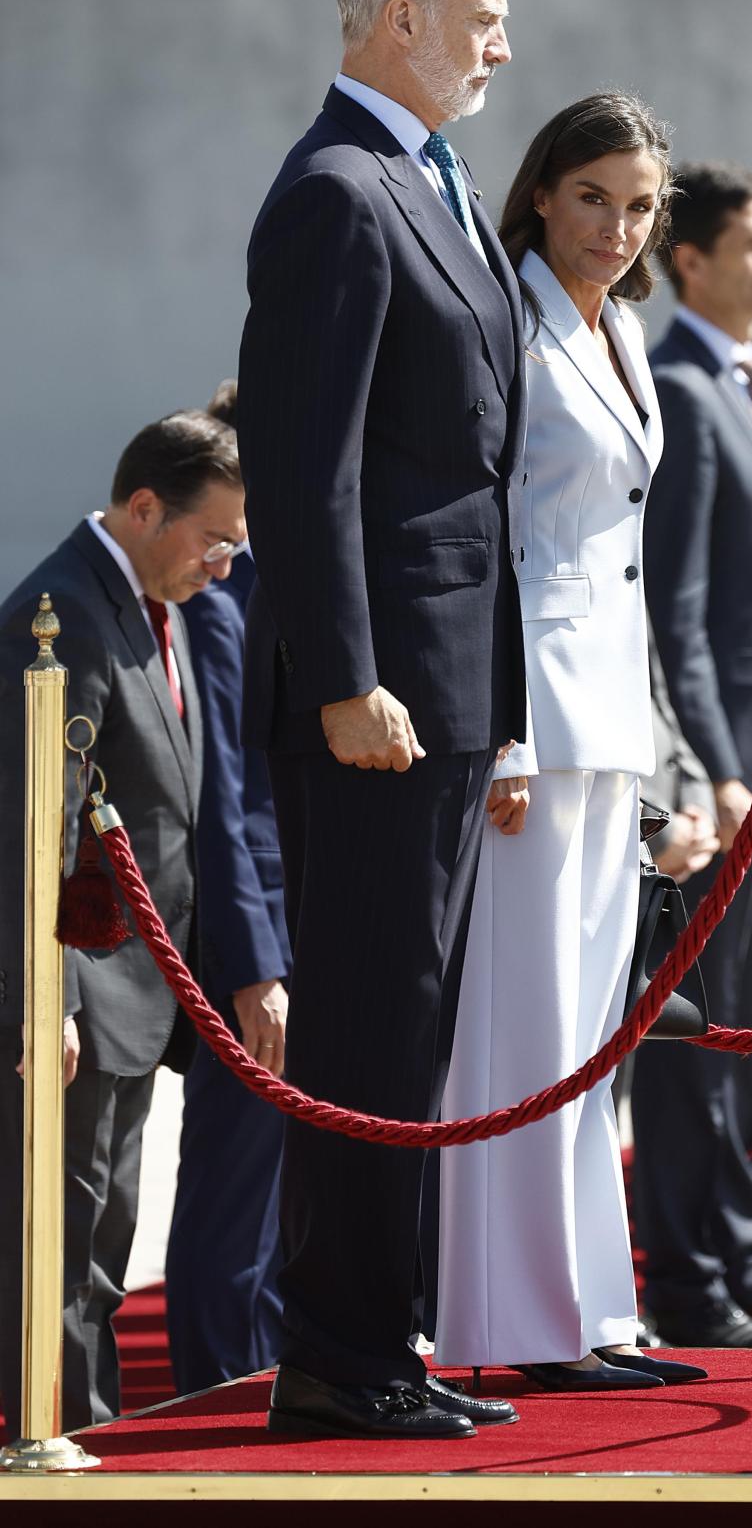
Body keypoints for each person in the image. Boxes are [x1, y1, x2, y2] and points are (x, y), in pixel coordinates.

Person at [237, 0, 527, 1442]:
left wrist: (509, 711)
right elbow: (305, 468)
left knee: (411, 1035)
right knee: (364, 1031)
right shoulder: (342, 192)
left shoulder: (439, 183)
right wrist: (349, 677)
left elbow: (474, 475)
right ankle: (337, 1352)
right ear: (395, 17)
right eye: (481, 12)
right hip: (378, 707)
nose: (502, 42)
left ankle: (381, 1339)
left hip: (449, 697)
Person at [434, 91, 706, 1391]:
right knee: (524, 1030)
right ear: (544, 189)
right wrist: (501, 734)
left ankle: (591, 1308)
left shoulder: (629, 332)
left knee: (594, 1034)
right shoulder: (505, 316)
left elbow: (628, 559)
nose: (616, 224)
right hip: (529, 716)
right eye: (594, 194)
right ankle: (513, 1323)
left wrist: (660, 756)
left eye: (640, 204)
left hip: (609, 720)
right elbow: (484, 537)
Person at [0, 411, 245, 1437]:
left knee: (104, 1239)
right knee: (60, 1243)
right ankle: (50, 1437)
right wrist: (38, 996)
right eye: (212, 540)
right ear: (144, 507)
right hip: (83, 988)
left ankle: (81, 1427)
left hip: (136, 984)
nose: (223, 568)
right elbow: (35, 829)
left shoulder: (149, 602)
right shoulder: (61, 614)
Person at [634, 161, 752, 1349]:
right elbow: (681, 603)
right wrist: (708, 758)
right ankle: (696, 1275)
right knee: (704, 1031)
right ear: (691, 260)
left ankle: (744, 1253)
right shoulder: (685, 387)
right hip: (730, 770)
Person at [164, 381, 291, 1395]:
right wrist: (253, 965)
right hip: (254, 928)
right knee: (236, 1184)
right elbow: (224, 793)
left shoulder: (290, 568)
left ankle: (271, 1364)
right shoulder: (217, 585)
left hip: (307, 915)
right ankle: (217, 1379)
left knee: (287, 1181)